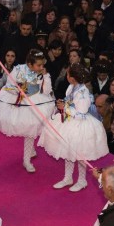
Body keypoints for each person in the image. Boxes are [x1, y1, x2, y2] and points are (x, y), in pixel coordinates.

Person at [39, 63, 108, 192]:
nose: (66, 74)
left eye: (68, 73)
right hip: (69, 121)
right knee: (67, 150)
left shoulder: (83, 93)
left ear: (72, 77)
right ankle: (68, 177)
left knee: (80, 154)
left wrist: (64, 108)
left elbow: (81, 114)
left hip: (80, 124)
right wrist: (63, 103)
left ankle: (82, 180)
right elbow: (69, 101)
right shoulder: (72, 87)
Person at [0, 49, 54, 173]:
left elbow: (46, 91)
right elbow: (9, 85)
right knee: (28, 129)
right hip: (19, 101)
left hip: (35, 101)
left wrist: (45, 76)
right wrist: (18, 90)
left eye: (42, 65)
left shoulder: (42, 73)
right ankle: (27, 159)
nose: (41, 67)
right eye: (38, 65)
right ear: (29, 64)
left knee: (31, 130)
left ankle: (27, 158)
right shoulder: (18, 69)